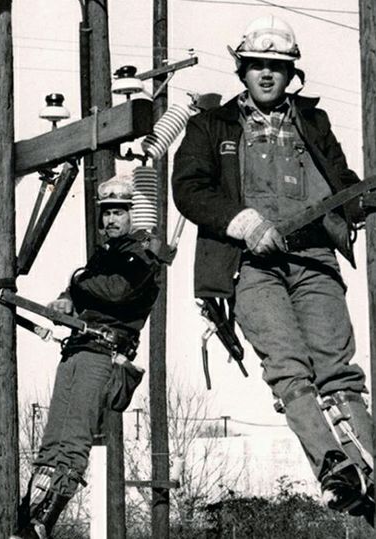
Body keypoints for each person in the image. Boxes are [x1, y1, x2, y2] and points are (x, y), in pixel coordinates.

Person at [172, 15, 373, 519]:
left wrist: (356, 206)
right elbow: (190, 189)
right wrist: (241, 222)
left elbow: (341, 176)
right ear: (242, 70)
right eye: (257, 65)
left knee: (338, 369)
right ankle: (334, 466)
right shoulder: (210, 126)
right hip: (250, 263)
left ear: (291, 74)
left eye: (277, 67)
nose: (266, 74)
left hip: (315, 257)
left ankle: (368, 463)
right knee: (288, 365)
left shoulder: (313, 121)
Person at [13, 175, 167, 539]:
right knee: (53, 441)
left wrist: (76, 283)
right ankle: (28, 515)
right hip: (80, 348)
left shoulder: (142, 255)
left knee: (73, 442)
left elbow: (116, 292)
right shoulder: (106, 256)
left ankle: (42, 521)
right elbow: (84, 291)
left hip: (104, 352)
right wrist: (68, 297)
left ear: (133, 216)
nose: (111, 220)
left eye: (119, 213)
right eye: (107, 213)